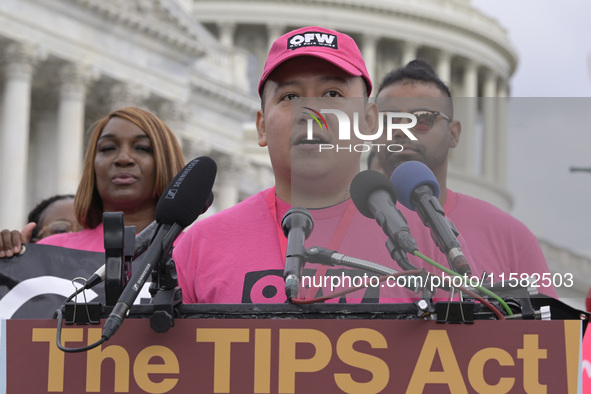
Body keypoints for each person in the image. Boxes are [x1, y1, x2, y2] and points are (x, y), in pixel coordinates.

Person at [174, 26, 521, 304]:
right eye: (290, 97)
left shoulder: (430, 244)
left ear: (369, 122)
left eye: (332, 95)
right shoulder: (197, 249)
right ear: (262, 126)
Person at [374, 59, 555, 296]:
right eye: (389, 119)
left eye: (421, 119)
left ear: (453, 133)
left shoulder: (511, 238)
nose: (401, 130)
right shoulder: (336, 223)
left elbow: (546, 330)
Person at [0, 106, 185, 255]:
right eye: (108, 148)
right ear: (92, 166)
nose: (123, 158)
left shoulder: (195, 250)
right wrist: (14, 267)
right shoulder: (51, 250)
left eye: (142, 148)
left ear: (166, 162)